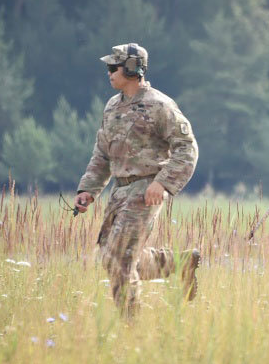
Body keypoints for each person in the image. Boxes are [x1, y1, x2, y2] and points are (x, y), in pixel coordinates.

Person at [74, 43, 200, 316]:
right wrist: (88, 189)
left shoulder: (159, 105)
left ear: (132, 68)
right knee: (111, 257)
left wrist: (162, 183)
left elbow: (187, 148)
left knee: (120, 259)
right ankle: (179, 263)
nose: (109, 73)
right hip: (119, 192)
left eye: (114, 67)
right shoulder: (112, 106)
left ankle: (130, 324)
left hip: (146, 190)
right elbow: (102, 153)